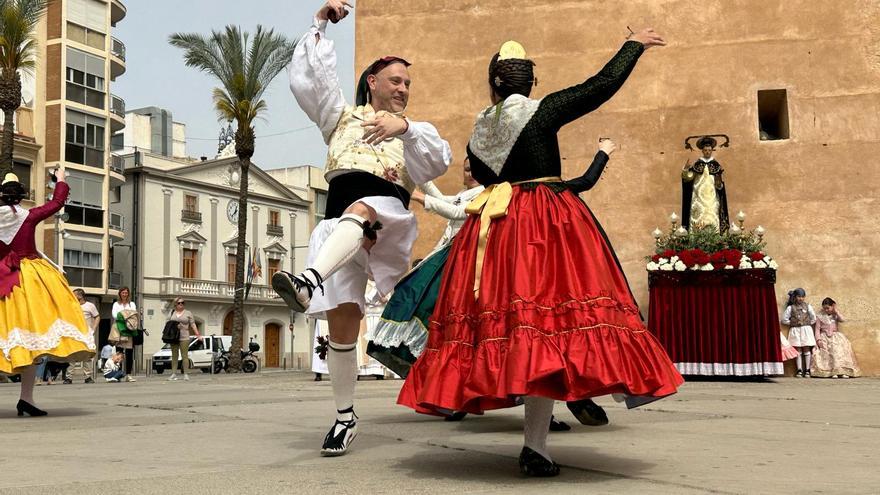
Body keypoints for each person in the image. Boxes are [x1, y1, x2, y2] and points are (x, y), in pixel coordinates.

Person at [397, 32, 684, 477]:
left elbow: (484, 173)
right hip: (545, 224)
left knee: (514, 328)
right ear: (532, 82)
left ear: (493, 84)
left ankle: (533, 440)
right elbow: (600, 85)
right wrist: (634, 46)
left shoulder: (479, 128)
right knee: (549, 325)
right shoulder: (543, 110)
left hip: (493, 228)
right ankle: (535, 445)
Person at [274, 0, 451, 457]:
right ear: (372, 82)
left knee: (364, 208)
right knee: (342, 329)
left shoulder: (411, 132)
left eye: (408, 83)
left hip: (385, 221)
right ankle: (344, 417)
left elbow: (437, 162)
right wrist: (320, 23)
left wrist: (406, 128)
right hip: (339, 231)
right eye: (396, 80)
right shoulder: (340, 117)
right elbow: (313, 81)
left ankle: (308, 280)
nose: (403, 89)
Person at [369, 144, 619, 428]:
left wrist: (415, 193)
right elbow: (448, 203)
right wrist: (413, 174)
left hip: (484, 269)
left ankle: (557, 400)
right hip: (474, 265)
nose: (471, 172)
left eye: (474, 167)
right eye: (466, 169)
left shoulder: (504, 193)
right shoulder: (497, 193)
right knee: (506, 337)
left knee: (512, 337)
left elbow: (456, 211)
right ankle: (464, 391)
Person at [0, 169, 94, 416]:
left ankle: (26, 401)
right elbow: (56, 202)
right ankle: (26, 398)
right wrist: (60, 179)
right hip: (29, 279)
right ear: (20, 197)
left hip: (4, 276)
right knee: (32, 340)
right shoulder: (29, 216)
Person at [681, 136, 729, 233]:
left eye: (709, 150)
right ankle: (695, 241)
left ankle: (715, 240)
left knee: (712, 216)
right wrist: (686, 169)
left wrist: (719, 183)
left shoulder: (716, 165)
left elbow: (719, 186)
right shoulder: (697, 164)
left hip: (712, 197)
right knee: (698, 218)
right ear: (702, 151)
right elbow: (688, 178)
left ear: (712, 151)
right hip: (698, 198)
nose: (707, 152)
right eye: (706, 150)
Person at [811, 297, 861, 378]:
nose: (826, 310)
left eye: (828, 308)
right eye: (824, 308)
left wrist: (836, 311)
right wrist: (818, 340)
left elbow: (842, 319)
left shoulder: (835, 315)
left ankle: (843, 371)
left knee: (839, 351)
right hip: (824, 337)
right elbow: (817, 329)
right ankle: (832, 372)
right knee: (829, 353)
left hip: (836, 336)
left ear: (832, 306)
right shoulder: (820, 317)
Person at [782, 288, 817, 377]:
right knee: (798, 350)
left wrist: (807, 323)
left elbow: (813, 318)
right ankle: (799, 370)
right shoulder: (790, 308)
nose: (801, 298)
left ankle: (807, 370)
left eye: (802, 297)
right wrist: (792, 323)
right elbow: (784, 320)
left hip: (806, 330)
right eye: (799, 296)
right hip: (796, 331)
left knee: (806, 349)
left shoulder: (808, 306)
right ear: (795, 297)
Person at [67, 289, 98, 384]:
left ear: (80, 296)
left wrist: (93, 328)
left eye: (74, 295)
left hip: (86, 334)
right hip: (74, 333)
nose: (72, 296)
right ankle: (69, 377)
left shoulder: (90, 306)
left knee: (87, 355)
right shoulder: (71, 305)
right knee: (72, 355)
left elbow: (97, 316)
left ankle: (88, 376)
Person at [167, 298, 202, 381]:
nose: (181, 304)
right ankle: (173, 373)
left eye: (183, 303)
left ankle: (186, 374)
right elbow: (167, 323)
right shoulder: (172, 312)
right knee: (174, 355)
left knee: (184, 355)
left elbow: (193, 325)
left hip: (184, 336)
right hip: (174, 337)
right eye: (179, 303)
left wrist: (198, 335)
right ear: (175, 304)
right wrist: (174, 326)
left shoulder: (188, 313)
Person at [111, 287, 138, 382]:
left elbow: (134, 314)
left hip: (129, 329)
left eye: (126, 293)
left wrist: (122, 315)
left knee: (129, 352)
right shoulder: (116, 304)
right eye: (123, 292)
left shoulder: (132, 304)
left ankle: (128, 374)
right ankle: (118, 374)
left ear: (128, 294)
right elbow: (115, 315)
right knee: (119, 352)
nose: (124, 294)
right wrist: (126, 315)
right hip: (119, 329)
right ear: (120, 294)